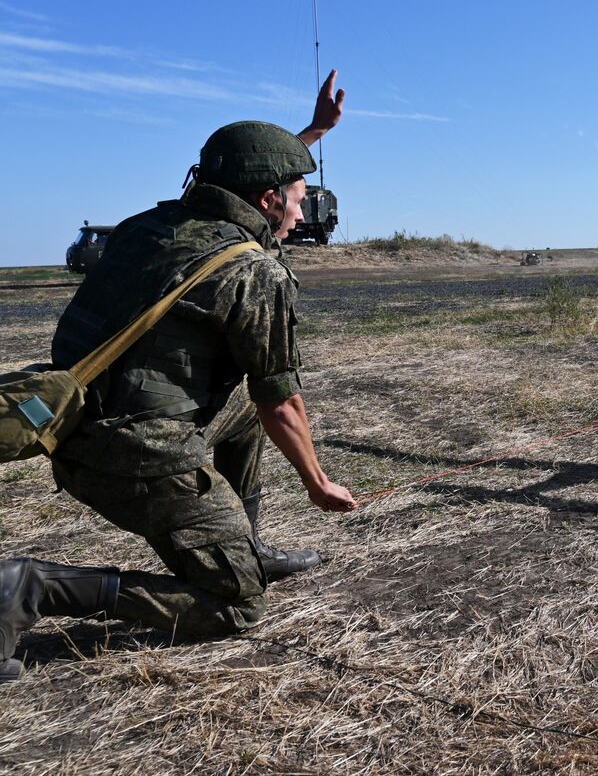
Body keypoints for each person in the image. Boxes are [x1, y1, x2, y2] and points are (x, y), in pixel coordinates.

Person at [1, 71, 358, 683]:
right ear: (269, 199)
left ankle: (244, 544)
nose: (304, 213)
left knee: (238, 411)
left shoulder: (149, 225)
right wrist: (319, 484)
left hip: (81, 419)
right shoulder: (251, 273)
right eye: (299, 197)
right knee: (236, 608)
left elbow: (230, 188)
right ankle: (29, 587)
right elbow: (281, 403)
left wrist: (314, 132)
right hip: (136, 452)